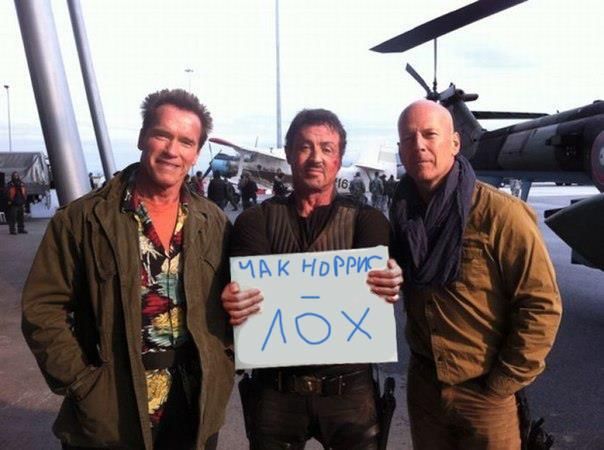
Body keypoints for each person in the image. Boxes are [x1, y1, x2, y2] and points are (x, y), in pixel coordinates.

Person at [21, 89, 234, 450]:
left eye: (186, 141)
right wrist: (81, 382)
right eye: (162, 135)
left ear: (196, 153)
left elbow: (238, 298)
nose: (172, 150)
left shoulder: (213, 222)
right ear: (142, 137)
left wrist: (225, 361)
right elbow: (42, 308)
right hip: (113, 408)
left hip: (194, 403)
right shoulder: (83, 219)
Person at [221, 108, 403, 450]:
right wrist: (232, 297)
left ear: (339, 158)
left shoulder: (368, 221)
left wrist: (391, 279)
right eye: (305, 147)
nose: (316, 158)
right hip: (275, 387)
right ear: (289, 154)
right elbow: (250, 295)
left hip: (350, 388)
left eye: (327, 148)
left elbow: (371, 295)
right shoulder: (255, 220)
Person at [391, 99, 562, 449]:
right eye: (408, 138)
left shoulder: (501, 215)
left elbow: (540, 305)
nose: (419, 145)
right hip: (425, 390)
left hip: (485, 395)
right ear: (400, 150)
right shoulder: (401, 218)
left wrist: (502, 383)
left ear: (455, 143)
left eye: (430, 134)